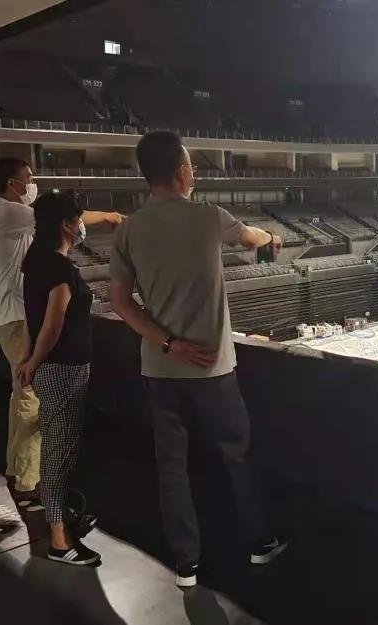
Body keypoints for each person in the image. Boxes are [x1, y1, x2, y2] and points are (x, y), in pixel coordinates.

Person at [110, 130, 286, 588]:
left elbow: (121, 303)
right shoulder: (209, 217)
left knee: (171, 466)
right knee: (237, 454)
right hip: (213, 368)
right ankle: (259, 542)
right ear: (183, 171)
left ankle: (186, 564)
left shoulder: (129, 229)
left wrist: (168, 344)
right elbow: (252, 237)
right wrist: (272, 236)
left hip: (160, 368)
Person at [0, 158, 125, 506]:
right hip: (18, 317)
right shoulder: (9, 211)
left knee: (22, 397)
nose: (33, 184)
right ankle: (29, 483)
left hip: (9, 315)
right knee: (31, 401)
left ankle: (18, 471)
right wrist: (109, 216)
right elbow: (55, 216)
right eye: (28, 178)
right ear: (12, 183)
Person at [14, 191, 100, 566]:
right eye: (78, 219)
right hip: (63, 368)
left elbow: (34, 319)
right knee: (58, 454)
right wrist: (34, 360)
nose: (81, 225)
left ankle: (61, 521)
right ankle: (59, 542)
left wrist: (29, 359)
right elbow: (52, 323)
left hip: (53, 368)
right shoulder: (60, 269)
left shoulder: (36, 262)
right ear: (66, 225)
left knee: (58, 448)